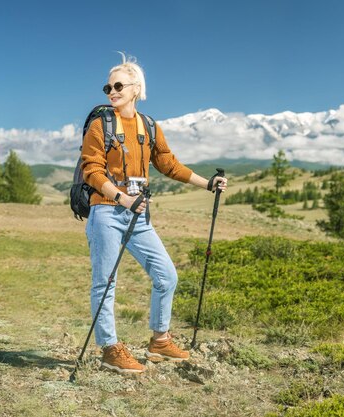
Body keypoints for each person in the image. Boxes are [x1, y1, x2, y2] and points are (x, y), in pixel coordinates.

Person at [81, 52, 228, 375]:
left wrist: (208, 184)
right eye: (107, 87)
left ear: (136, 88)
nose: (111, 92)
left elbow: (169, 165)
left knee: (167, 275)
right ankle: (110, 349)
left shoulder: (149, 126)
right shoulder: (100, 125)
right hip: (106, 211)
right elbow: (92, 171)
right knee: (105, 283)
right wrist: (122, 199)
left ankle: (160, 340)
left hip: (139, 217)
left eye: (118, 85)